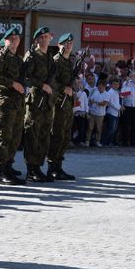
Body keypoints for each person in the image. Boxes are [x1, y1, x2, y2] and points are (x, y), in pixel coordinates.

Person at [0, 28, 27, 185]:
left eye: (16, 38)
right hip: (4, 101)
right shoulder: (0, 57)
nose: (14, 41)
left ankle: (8, 166)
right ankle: (1, 171)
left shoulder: (18, 59)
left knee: (15, 137)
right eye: (10, 38)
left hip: (17, 102)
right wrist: (12, 83)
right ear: (5, 40)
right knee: (4, 137)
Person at [23, 26, 56, 182]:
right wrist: (42, 85)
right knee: (32, 135)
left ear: (51, 38)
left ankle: (38, 167)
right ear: (36, 40)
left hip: (47, 103)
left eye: (46, 36)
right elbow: (25, 78)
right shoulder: (31, 56)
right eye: (41, 37)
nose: (44, 39)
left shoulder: (50, 57)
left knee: (44, 136)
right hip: (35, 101)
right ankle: (31, 169)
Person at [46, 33, 76, 180]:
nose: (69, 45)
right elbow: (51, 81)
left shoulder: (69, 61)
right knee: (57, 135)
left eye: (71, 43)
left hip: (68, 104)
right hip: (59, 103)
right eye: (66, 43)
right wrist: (63, 88)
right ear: (60, 45)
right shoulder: (57, 61)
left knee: (65, 136)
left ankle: (59, 166)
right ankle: (52, 167)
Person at [85, 80, 109, 147]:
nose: (99, 88)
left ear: (104, 87)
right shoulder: (95, 92)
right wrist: (91, 102)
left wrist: (95, 102)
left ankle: (97, 141)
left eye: (100, 87)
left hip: (100, 114)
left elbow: (104, 103)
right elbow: (90, 100)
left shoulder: (107, 94)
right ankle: (87, 141)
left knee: (98, 129)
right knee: (90, 127)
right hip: (92, 113)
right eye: (98, 87)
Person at [101, 78, 123, 146]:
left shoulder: (116, 92)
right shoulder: (109, 92)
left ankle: (111, 142)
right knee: (110, 129)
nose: (116, 86)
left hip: (116, 113)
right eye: (115, 84)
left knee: (114, 129)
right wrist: (119, 107)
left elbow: (116, 102)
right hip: (111, 113)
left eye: (117, 84)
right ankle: (104, 142)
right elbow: (110, 103)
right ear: (111, 85)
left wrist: (120, 106)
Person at [120, 70, 135, 146]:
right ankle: (125, 141)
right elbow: (123, 94)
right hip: (127, 106)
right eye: (132, 75)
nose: (133, 77)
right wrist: (128, 83)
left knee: (134, 125)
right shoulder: (126, 83)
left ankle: (132, 141)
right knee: (126, 124)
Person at [72, 77, 89, 146]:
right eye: (76, 83)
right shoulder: (72, 93)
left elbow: (86, 103)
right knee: (73, 127)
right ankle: (71, 141)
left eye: (79, 83)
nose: (77, 84)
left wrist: (86, 112)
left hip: (82, 113)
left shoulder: (83, 93)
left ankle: (81, 141)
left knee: (81, 128)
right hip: (74, 112)